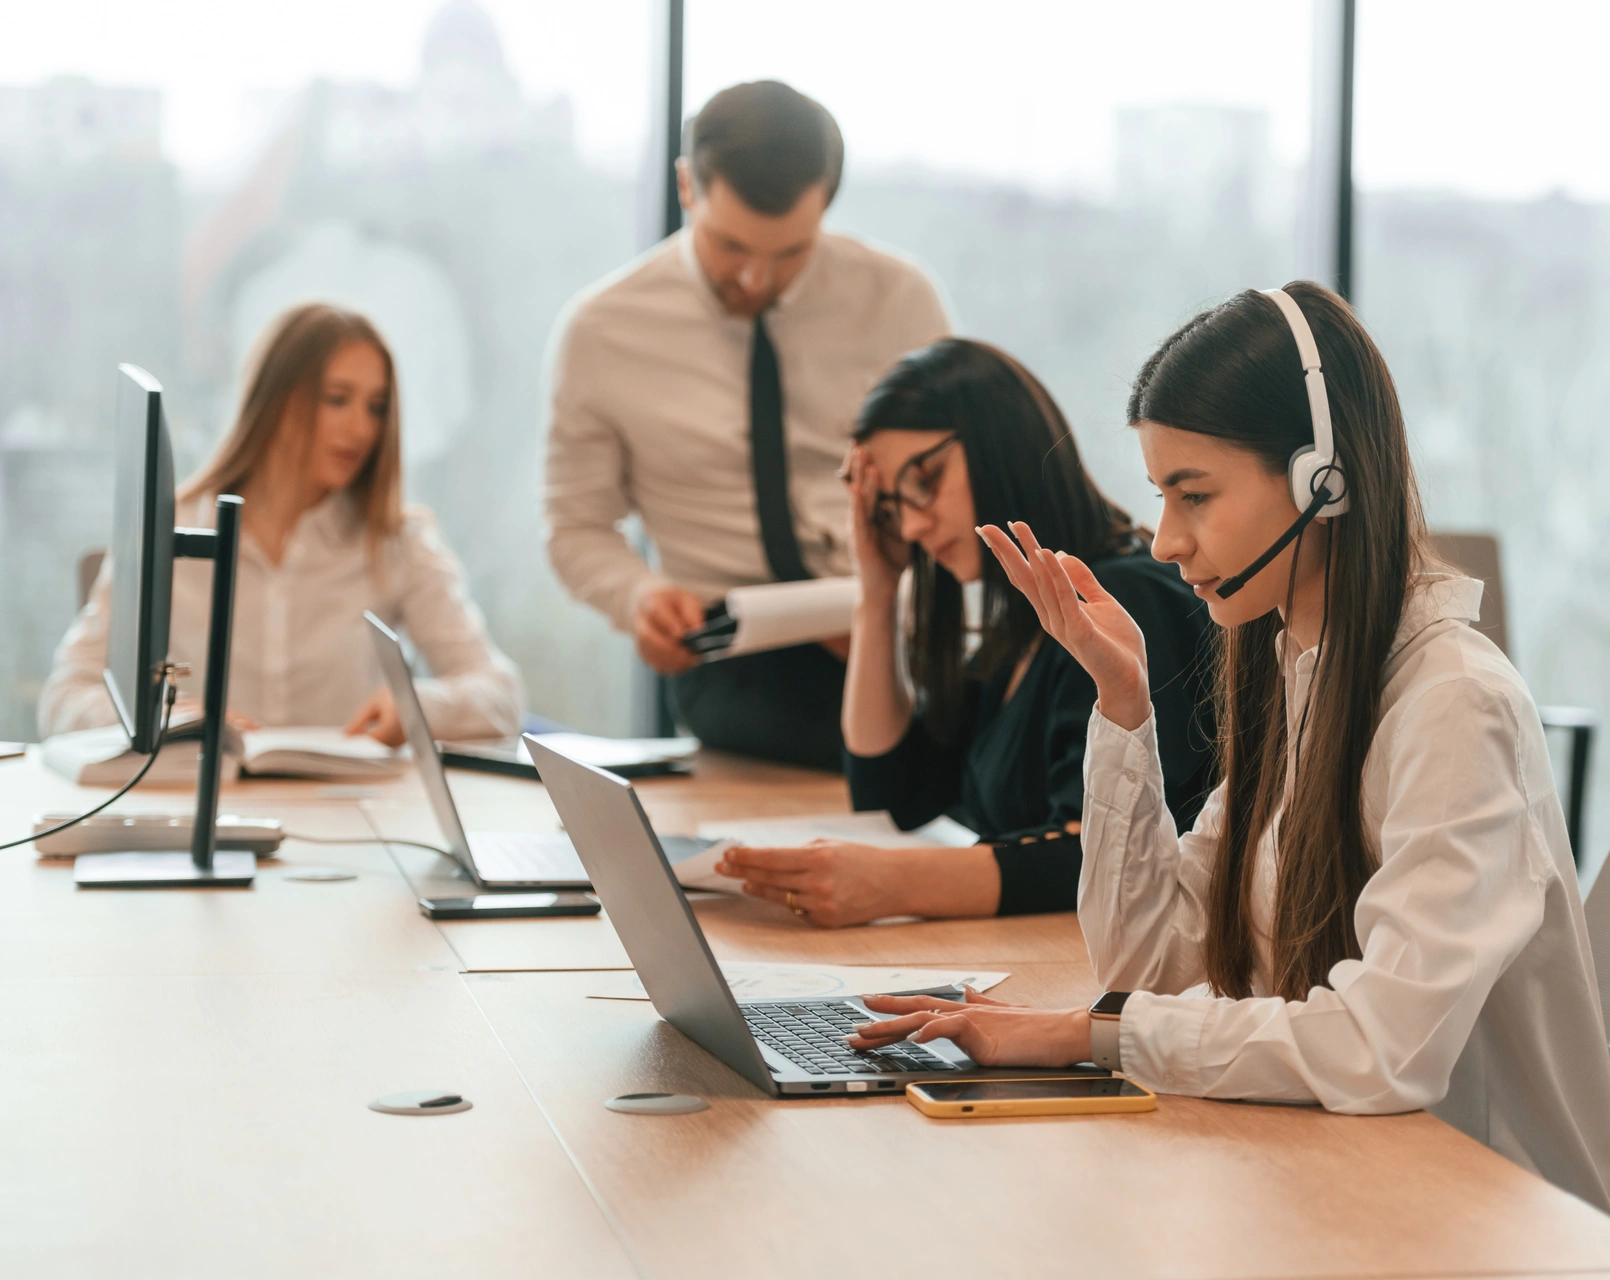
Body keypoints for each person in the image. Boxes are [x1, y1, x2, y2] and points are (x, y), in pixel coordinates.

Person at [847, 284, 1610, 1213]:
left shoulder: (1452, 705)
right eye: (1161, 497)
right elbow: (1149, 962)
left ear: (1321, 484)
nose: (1169, 541)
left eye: (1196, 495)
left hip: (1486, 1218)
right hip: (1333, 1179)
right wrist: (1123, 705)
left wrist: (1086, 1037)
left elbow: (1382, 1050)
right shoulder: (1292, 672)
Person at [715, 340, 1212, 925]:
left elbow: (1101, 853)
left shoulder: (1123, 600)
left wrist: (893, 884)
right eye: (892, 508)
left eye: (924, 480)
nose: (912, 524)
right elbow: (888, 795)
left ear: (998, 443)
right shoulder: (1017, 633)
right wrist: (876, 593)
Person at [544, 80, 949, 771]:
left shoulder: (898, 300)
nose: (758, 278)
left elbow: (958, 493)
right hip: (731, 662)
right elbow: (575, 527)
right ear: (686, 188)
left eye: (792, 252)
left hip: (892, 634)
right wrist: (639, 596)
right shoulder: (602, 330)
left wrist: (897, 608)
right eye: (732, 246)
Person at [40, 303, 523, 746]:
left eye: (375, 407)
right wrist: (167, 717)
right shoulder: (171, 532)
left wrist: (417, 707)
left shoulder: (399, 543)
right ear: (277, 401)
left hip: (351, 817)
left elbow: (500, 695)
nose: (361, 429)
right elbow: (63, 699)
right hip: (201, 810)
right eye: (338, 399)